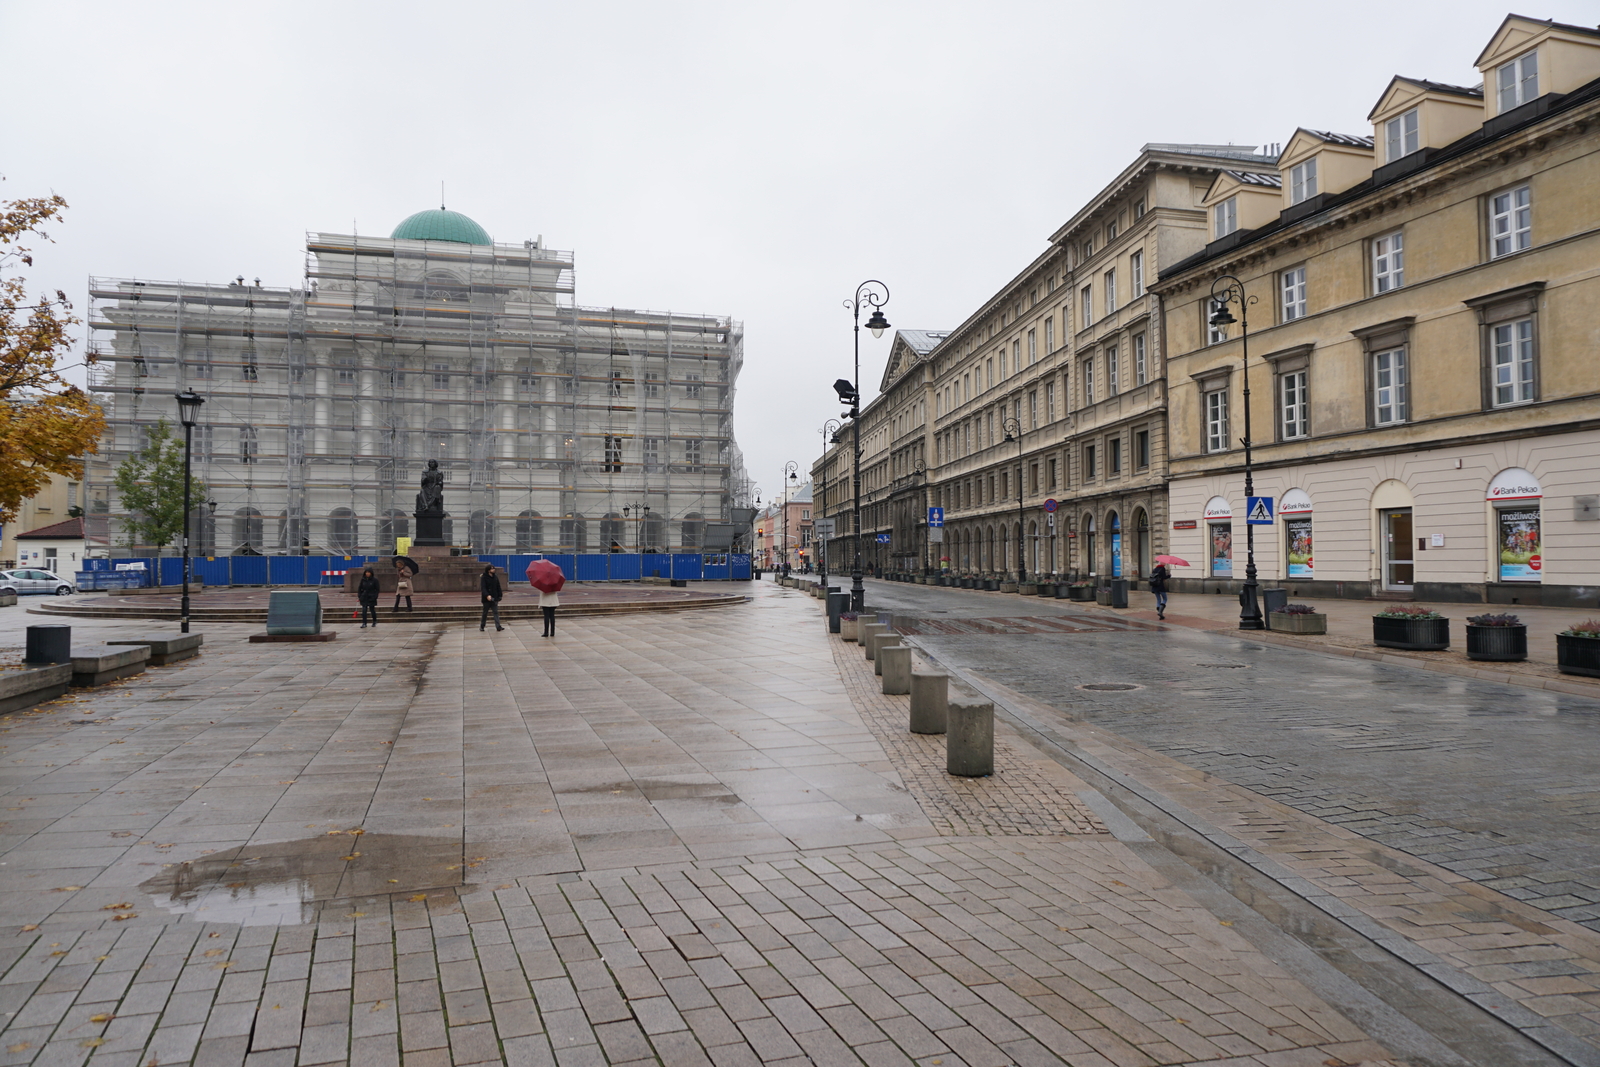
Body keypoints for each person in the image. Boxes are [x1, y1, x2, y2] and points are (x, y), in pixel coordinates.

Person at [479, 565, 504, 631]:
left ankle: (498, 626)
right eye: (492, 569)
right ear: (488, 570)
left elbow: (498, 587)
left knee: (495, 612)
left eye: (494, 568)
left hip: (494, 598)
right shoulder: (484, 577)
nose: (493, 570)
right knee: (485, 613)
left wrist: (500, 595)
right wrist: (487, 595)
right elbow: (483, 588)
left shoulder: (495, 577)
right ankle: (482, 626)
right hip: (486, 599)